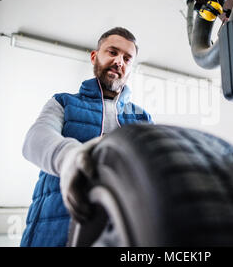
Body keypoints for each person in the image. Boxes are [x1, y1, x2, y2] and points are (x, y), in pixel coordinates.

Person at [20, 27, 153, 247]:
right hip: (51, 235)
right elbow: (35, 139)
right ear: (94, 56)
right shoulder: (63, 102)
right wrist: (71, 158)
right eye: (112, 52)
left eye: (127, 58)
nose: (119, 61)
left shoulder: (142, 117)